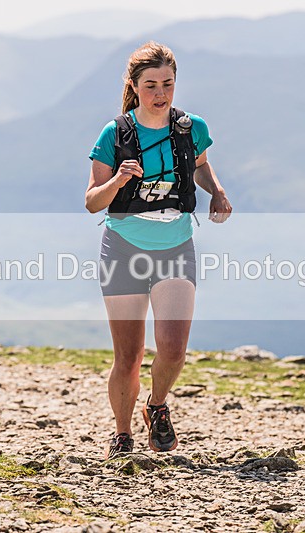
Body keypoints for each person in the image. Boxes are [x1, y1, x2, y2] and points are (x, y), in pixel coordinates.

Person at [85, 41, 232, 459]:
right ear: (134, 86)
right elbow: (92, 201)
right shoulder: (114, 134)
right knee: (128, 357)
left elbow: (200, 165)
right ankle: (122, 434)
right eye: (150, 85)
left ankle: (157, 405)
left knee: (172, 349)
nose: (160, 93)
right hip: (123, 247)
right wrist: (117, 181)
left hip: (176, 246)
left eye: (168, 83)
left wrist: (217, 192)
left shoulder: (190, 127)